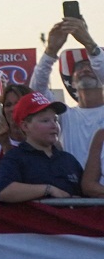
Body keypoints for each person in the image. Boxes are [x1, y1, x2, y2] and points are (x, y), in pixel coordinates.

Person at [0, 93, 86, 203]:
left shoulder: (69, 160)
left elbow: (87, 193)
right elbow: (4, 192)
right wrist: (48, 190)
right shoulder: (15, 158)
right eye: (45, 120)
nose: (54, 125)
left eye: (55, 119)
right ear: (25, 126)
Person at [32, 17, 104, 156]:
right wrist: (51, 51)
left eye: (92, 66)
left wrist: (89, 43)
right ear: (72, 81)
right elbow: (37, 91)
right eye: (79, 67)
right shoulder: (64, 116)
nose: (85, 70)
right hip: (71, 177)